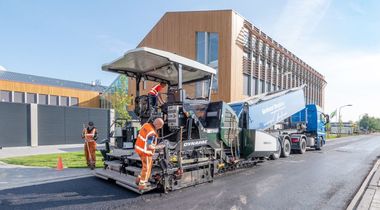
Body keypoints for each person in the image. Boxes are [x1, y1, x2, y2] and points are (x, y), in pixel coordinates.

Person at [134, 118, 164, 190]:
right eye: (160, 126)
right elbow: (149, 146)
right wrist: (158, 147)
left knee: (147, 166)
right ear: (157, 125)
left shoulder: (146, 125)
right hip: (145, 152)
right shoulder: (152, 133)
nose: (160, 128)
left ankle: (138, 179)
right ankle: (142, 185)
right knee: (146, 169)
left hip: (138, 148)